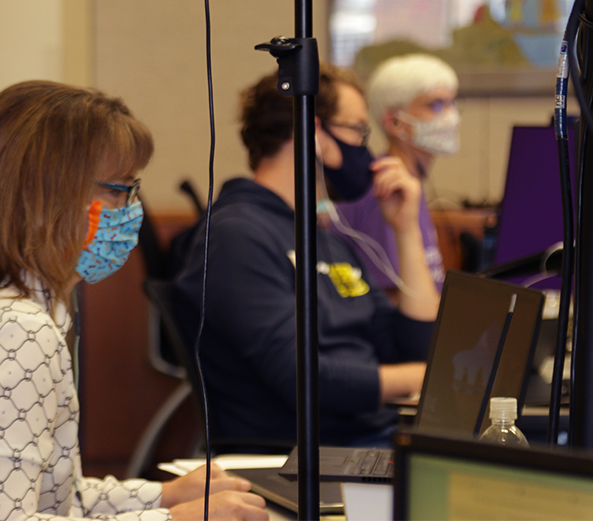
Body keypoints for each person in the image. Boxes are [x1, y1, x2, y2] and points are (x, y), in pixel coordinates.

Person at [0, 81, 267, 521]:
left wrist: (163, 496)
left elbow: (47, 493)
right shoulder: (13, 333)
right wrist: (174, 520)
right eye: (117, 189)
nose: (130, 209)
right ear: (43, 197)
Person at [174, 64, 437, 449]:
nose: (366, 150)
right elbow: (305, 380)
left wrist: (406, 231)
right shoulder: (236, 236)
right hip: (303, 456)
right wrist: (421, 378)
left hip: (370, 437)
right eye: (358, 132)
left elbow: (411, 349)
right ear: (314, 132)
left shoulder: (324, 238)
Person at [335, 53, 459, 304]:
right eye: (435, 105)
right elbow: (391, 300)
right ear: (395, 122)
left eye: (453, 103)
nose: (451, 116)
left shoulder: (409, 183)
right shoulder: (385, 190)